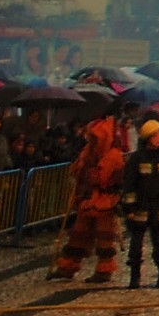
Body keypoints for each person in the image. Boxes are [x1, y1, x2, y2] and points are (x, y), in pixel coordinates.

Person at [49, 113, 126, 283]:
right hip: (87, 199)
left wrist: (89, 173)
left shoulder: (113, 156)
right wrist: (81, 169)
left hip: (104, 201)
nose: (92, 140)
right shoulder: (88, 152)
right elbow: (77, 170)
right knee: (79, 234)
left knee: (104, 237)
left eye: (95, 138)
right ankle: (67, 266)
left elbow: (103, 178)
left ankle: (104, 270)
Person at [121, 118, 159, 289]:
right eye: (156, 135)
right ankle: (134, 278)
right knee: (136, 245)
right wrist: (129, 208)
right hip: (140, 208)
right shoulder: (136, 159)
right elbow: (129, 185)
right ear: (148, 138)